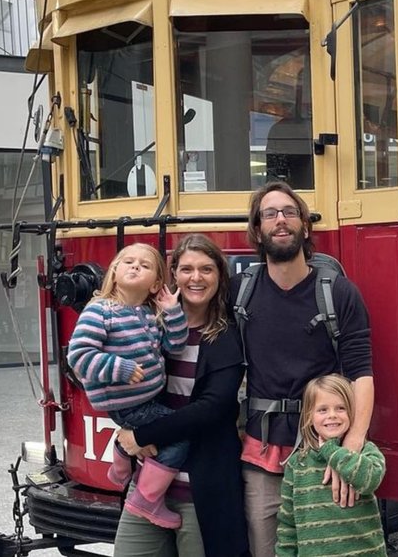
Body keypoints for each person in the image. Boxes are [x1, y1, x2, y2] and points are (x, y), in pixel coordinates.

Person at [235, 181, 375, 557]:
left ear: (305, 226)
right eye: (270, 214)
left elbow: (361, 371)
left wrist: (352, 447)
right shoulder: (239, 291)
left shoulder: (340, 293)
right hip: (261, 454)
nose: (280, 220)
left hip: (322, 452)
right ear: (257, 230)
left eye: (290, 212)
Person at [113, 234, 250, 557]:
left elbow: (212, 409)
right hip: (146, 486)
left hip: (199, 492)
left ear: (220, 276)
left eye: (206, 269)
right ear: (173, 275)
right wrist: (123, 431)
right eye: (186, 269)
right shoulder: (148, 327)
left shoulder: (227, 336)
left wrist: (141, 435)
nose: (196, 278)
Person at [67, 243, 189, 529]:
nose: (135, 266)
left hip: (144, 400)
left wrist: (172, 312)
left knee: (162, 432)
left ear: (156, 283)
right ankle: (147, 498)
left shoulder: (147, 313)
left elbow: (175, 345)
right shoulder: (100, 311)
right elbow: (79, 355)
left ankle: (122, 460)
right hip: (126, 403)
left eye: (145, 265)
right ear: (114, 272)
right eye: (128, 262)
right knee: (180, 435)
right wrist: (119, 368)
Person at [275, 375, 386, 556]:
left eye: (341, 408)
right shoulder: (297, 464)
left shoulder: (365, 451)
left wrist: (331, 451)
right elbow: (288, 525)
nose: (332, 415)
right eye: (322, 410)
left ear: (352, 413)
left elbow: (370, 479)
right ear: (309, 417)